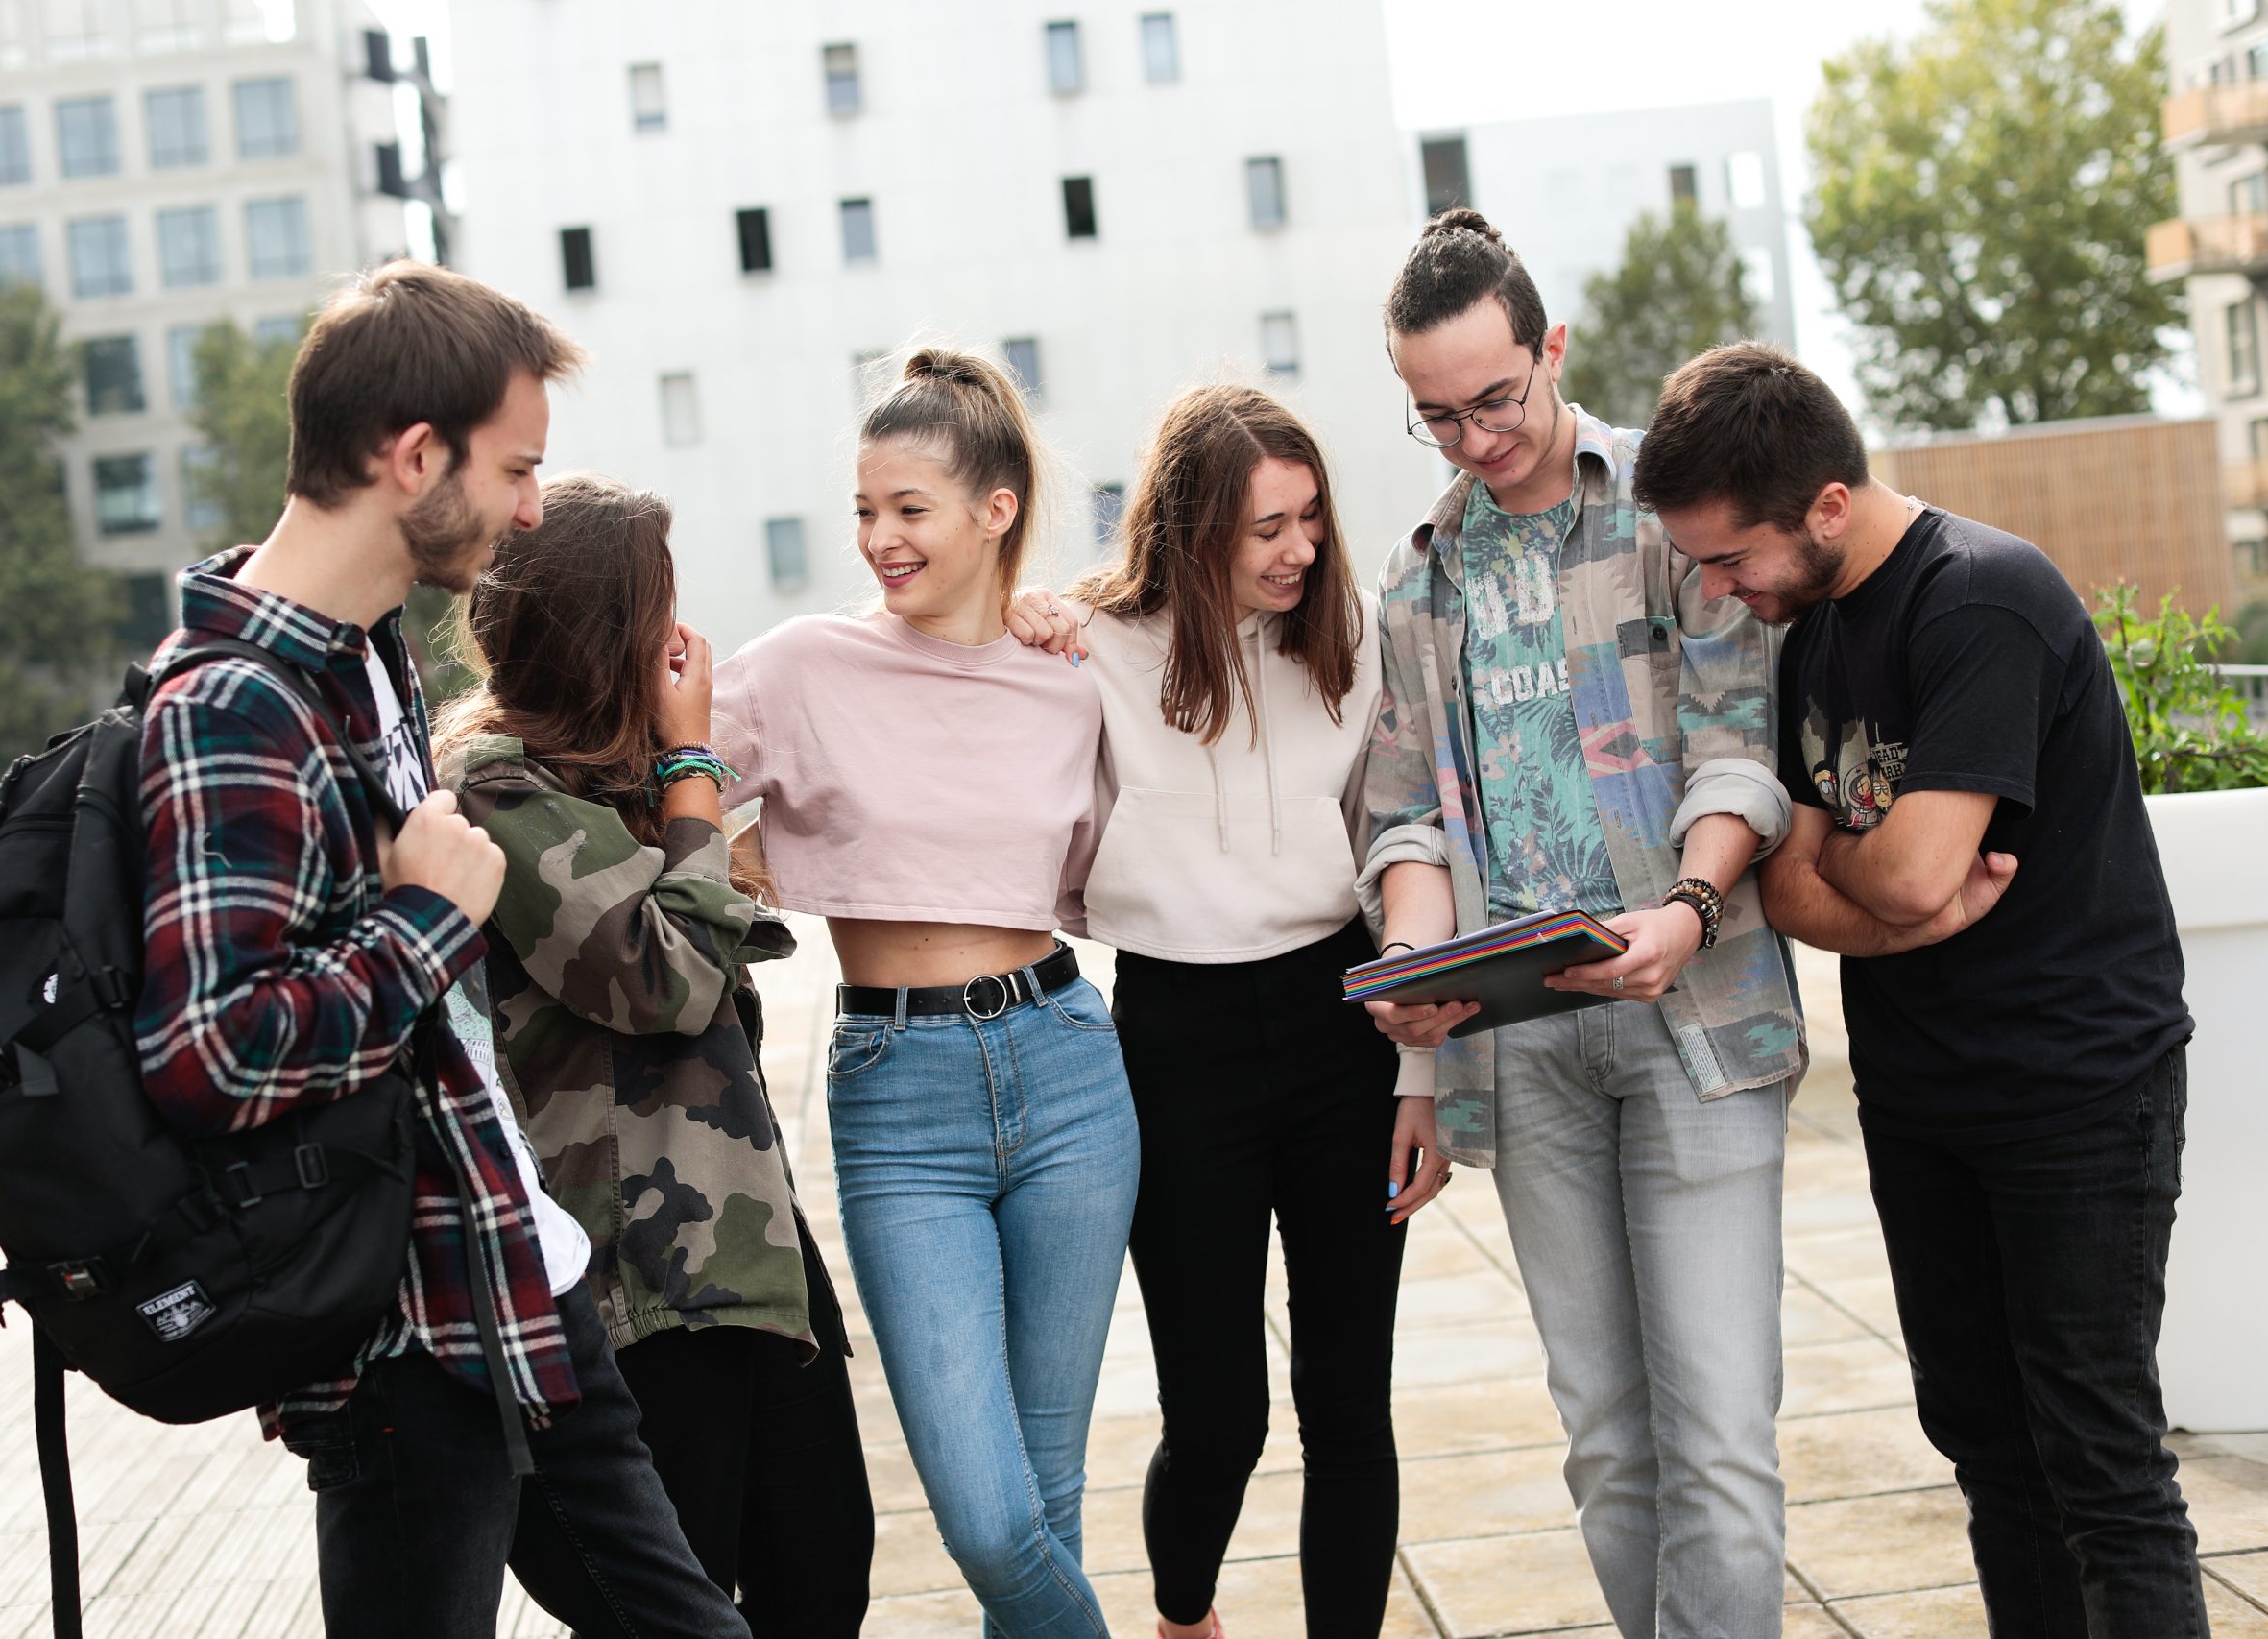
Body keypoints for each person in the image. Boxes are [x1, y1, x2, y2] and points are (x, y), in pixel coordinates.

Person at [133, 261, 744, 1639]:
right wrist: (424, 918)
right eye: (517, 467)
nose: (534, 505)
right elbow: (212, 1052)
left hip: (514, 1267)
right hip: (398, 1342)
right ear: (414, 457)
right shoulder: (227, 706)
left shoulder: (368, 658)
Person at [1635, 341, 2207, 1638]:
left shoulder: (1982, 603)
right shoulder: (1809, 620)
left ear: (1826, 504)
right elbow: (1810, 887)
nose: (1720, 589)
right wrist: (1876, 884)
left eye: (1731, 557)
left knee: (2101, 1458)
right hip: (1923, 1093)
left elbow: (1903, 869)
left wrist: (1854, 864)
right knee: (1990, 1450)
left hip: (2076, 1092)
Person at [1355, 210, 1806, 1639]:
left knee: (1720, 1442)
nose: (1475, 439)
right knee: (1609, 1442)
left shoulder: (1667, 513)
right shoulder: (1421, 574)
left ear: (1552, 350)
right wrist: (1423, 993)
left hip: (1698, 1020)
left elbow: (1741, 747)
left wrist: (1683, 906)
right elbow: (1405, 816)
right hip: (1528, 1049)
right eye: (1437, 417)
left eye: (1495, 397)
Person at [712, 347, 1138, 1638]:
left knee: (1048, 1502)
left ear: (994, 510)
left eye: (910, 508)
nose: (880, 537)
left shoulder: (1069, 669)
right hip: (900, 1095)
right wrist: (776, 864)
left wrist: (1060, 617)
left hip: (1067, 1063)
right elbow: (663, 788)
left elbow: (1103, 851)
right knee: (987, 1514)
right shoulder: (799, 667)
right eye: (865, 509)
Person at [1005, 384, 1432, 1639]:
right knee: (1220, 1410)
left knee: (1349, 1397)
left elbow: (1405, 834)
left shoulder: (1352, 632)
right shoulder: (1091, 647)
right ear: (1193, 532)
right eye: (1265, 529)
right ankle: (1184, 1617)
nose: (1299, 548)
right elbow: (965, 686)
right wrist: (1012, 617)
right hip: (1172, 1040)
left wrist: (1421, 1073)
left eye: (1310, 517)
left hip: (1340, 1015)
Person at [436, 473, 877, 1635]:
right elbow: (665, 980)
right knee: (687, 1597)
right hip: (645, 1274)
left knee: (825, 1569)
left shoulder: (606, 786)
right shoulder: (496, 792)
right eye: (658, 610)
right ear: (603, 635)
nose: (683, 643)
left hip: (750, 1249)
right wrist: (691, 776)